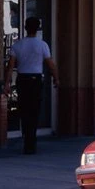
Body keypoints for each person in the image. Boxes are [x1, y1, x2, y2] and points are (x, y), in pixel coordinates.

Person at [6, 16, 58, 154]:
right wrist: (56, 78)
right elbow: (50, 64)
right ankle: (32, 140)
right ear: (38, 28)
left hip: (22, 79)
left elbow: (10, 65)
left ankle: (26, 138)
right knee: (34, 110)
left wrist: (7, 82)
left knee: (24, 110)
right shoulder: (42, 45)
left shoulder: (18, 45)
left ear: (25, 27)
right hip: (35, 80)